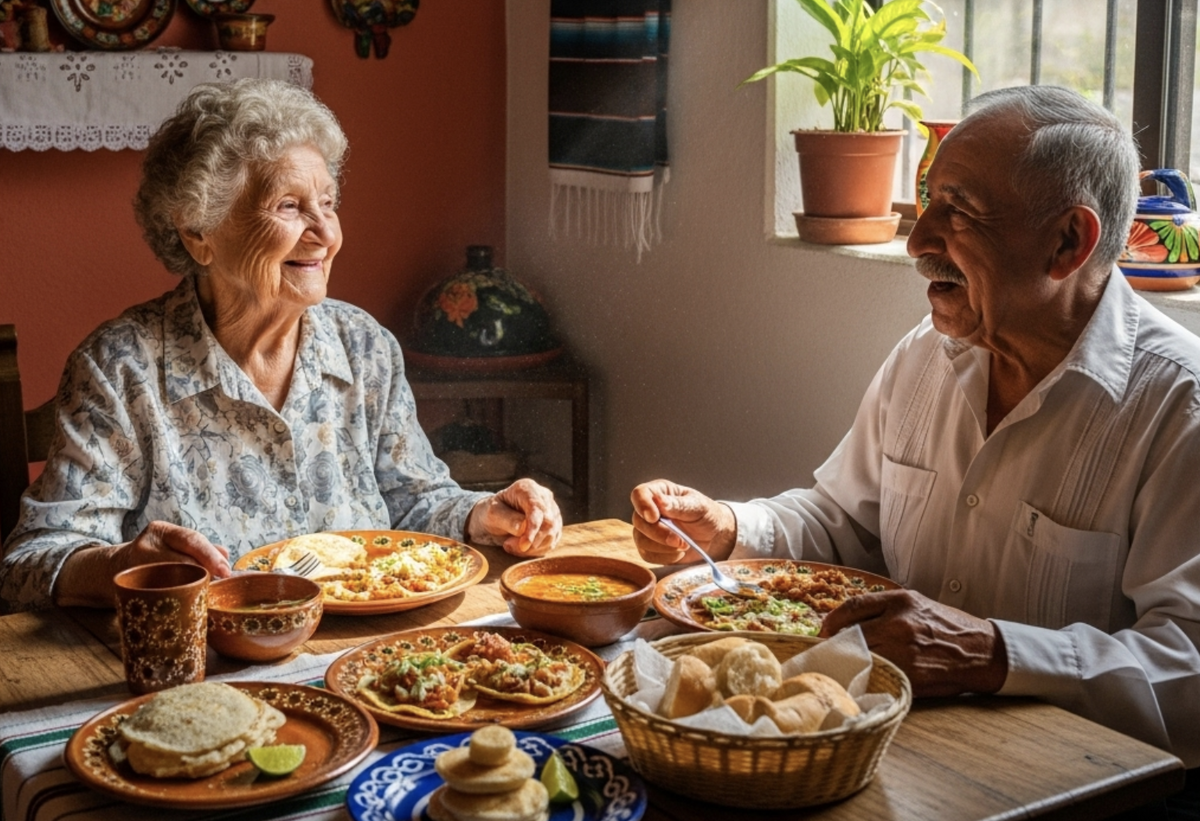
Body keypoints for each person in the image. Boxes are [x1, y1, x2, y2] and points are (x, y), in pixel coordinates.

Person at [632, 86, 1200, 775]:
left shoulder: (1178, 405)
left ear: (1067, 240)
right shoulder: (927, 354)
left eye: (957, 210)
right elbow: (844, 520)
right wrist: (727, 526)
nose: (917, 239)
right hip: (894, 751)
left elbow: (1187, 665)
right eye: (927, 200)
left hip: (1074, 788)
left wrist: (992, 653)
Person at [0, 79, 562, 612]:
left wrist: (486, 514)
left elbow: (413, 503)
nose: (325, 232)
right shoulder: (121, 369)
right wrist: (121, 566)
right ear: (198, 232)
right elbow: (28, 564)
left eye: (328, 202)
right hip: (204, 666)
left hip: (360, 652)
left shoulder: (364, 347)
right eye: (289, 207)